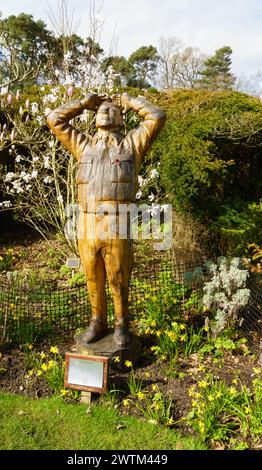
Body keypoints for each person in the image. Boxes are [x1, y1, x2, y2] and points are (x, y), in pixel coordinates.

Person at [47, 93, 166, 346]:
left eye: (112, 110)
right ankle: (97, 321)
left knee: (119, 275)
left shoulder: (133, 144)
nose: (106, 112)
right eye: (101, 109)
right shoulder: (83, 145)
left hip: (117, 220)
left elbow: (156, 116)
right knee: (92, 275)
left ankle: (122, 323)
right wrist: (83, 104)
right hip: (87, 222)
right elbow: (54, 118)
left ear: (122, 117)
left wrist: (130, 101)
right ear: (94, 116)